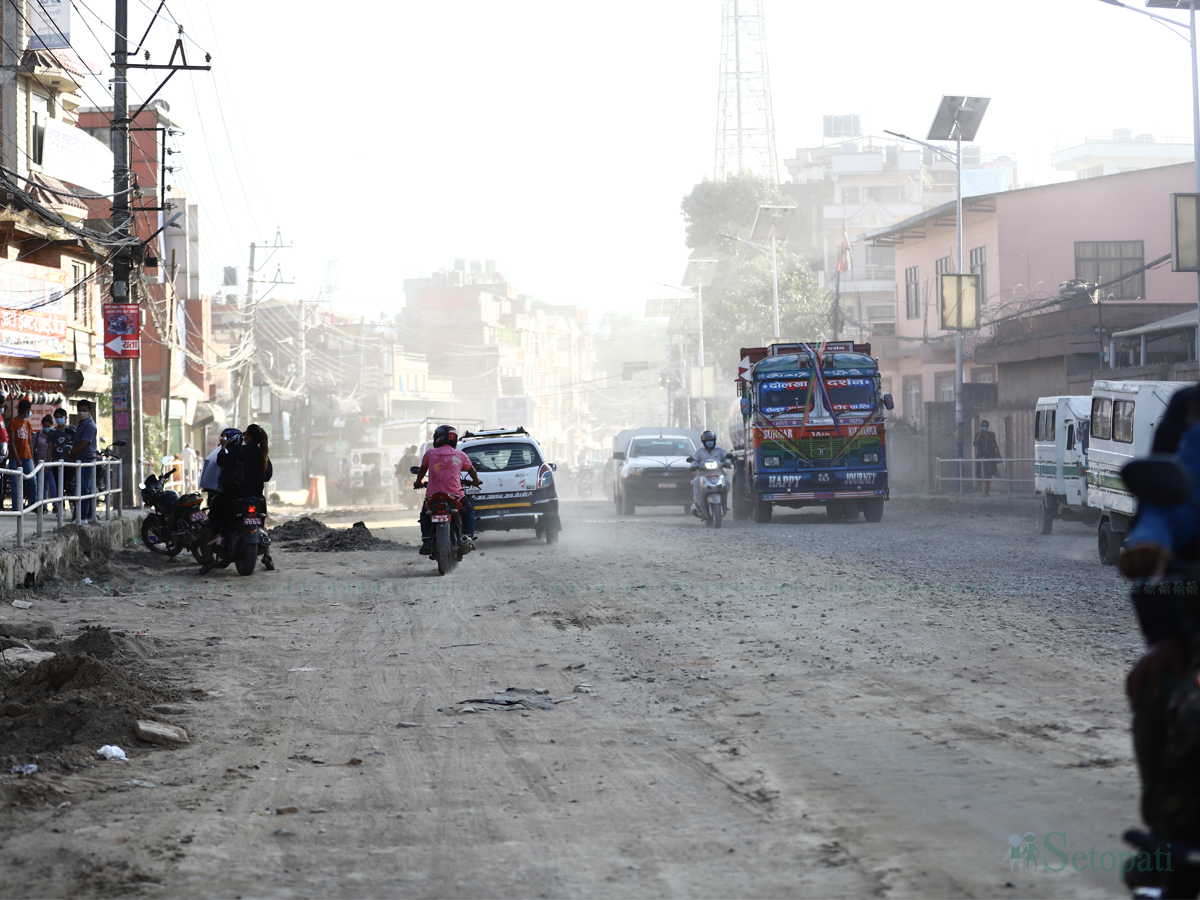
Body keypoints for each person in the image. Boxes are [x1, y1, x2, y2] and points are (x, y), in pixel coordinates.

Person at [1118, 385, 1200, 873]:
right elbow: (1164, 513)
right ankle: (1170, 833)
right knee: (1166, 697)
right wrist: (1149, 546)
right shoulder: (1191, 421)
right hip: (1193, 623)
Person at [199, 425, 274, 574]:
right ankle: (267, 556)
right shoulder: (263, 453)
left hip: (235, 495)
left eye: (245, 434)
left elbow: (221, 460)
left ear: (249, 438)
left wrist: (223, 447)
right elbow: (267, 476)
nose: (244, 437)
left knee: (213, 516)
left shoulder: (239, 451)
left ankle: (207, 561)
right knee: (260, 523)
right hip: (257, 497)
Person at [414, 424, 480, 555]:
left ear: (438, 438)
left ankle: (426, 540)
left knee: (425, 515)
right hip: (456, 496)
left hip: (433, 497)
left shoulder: (430, 453)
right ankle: (467, 537)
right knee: (469, 512)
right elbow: (471, 470)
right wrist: (476, 481)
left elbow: (422, 471)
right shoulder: (460, 455)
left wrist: (418, 482)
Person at [690, 429, 729, 515]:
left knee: (726, 481)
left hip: (718, 474)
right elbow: (694, 460)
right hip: (703, 475)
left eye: (711, 440)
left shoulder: (719, 450)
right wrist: (693, 466)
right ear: (704, 442)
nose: (710, 442)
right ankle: (699, 505)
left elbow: (726, 458)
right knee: (696, 482)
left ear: (714, 441)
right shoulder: (699, 451)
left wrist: (727, 463)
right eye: (708, 441)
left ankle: (723, 502)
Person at [71, 399, 98, 521]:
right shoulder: (81, 424)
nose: (81, 413)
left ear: (90, 411)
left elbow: (83, 444)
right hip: (81, 459)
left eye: (84, 410)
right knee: (85, 488)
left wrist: (72, 452)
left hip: (87, 459)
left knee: (84, 489)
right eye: (79, 410)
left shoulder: (90, 426)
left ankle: (82, 517)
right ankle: (87, 515)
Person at [48, 408, 75, 515]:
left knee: (69, 486)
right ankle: (61, 508)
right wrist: (47, 462)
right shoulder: (52, 432)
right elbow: (50, 447)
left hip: (69, 462)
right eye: (57, 417)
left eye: (61, 417)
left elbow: (77, 445)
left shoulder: (72, 430)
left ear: (65, 417)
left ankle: (73, 507)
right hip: (56, 463)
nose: (59, 419)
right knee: (59, 486)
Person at [9, 399, 35, 507]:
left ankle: (33, 505)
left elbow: (30, 442)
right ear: (25, 410)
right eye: (29, 409)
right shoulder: (13, 422)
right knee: (15, 483)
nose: (30, 412)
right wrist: (17, 459)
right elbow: (12, 442)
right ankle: (16, 507)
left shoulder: (27, 424)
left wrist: (32, 457)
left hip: (27, 457)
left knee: (33, 481)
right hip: (15, 457)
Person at [34, 414, 57, 514]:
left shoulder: (54, 435)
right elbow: (32, 448)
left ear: (51, 426)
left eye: (48, 426)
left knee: (53, 485)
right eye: (44, 426)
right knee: (42, 486)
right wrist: (34, 461)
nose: (46, 428)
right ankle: (43, 506)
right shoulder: (38, 435)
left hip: (51, 464)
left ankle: (56, 505)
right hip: (40, 464)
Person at [973, 419, 1001, 496]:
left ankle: (986, 491)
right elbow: (975, 444)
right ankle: (983, 488)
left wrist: (994, 446)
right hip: (980, 457)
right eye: (983, 426)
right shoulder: (978, 434)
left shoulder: (991, 434)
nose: (985, 427)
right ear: (981, 426)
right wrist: (979, 435)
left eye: (986, 426)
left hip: (989, 457)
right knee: (979, 474)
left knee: (989, 474)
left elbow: (995, 444)